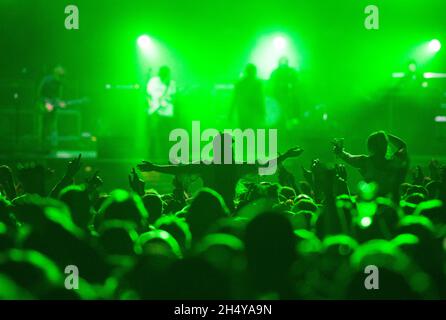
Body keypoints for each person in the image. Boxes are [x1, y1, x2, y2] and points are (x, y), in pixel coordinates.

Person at [138, 133, 304, 211]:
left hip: (211, 208)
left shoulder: (210, 165)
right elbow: (180, 169)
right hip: (226, 208)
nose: (230, 149)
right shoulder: (227, 166)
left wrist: (155, 167)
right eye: (227, 146)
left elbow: (180, 169)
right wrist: (286, 156)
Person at [333, 131, 409, 200]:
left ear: (370, 146)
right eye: (383, 143)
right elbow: (402, 146)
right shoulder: (393, 162)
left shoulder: (365, 161)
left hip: (370, 204)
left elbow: (347, 157)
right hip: (389, 204)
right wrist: (387, 136)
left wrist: (340, 151)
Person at [146, 66, 177, 159]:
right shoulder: (153, 81)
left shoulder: (171, 83)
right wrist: (151, 105)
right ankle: (152, 155)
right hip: (154, 112)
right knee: (153, 133)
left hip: (166, 114)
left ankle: (166, 155)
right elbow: (147, 95)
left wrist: (167, 101)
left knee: (167, 134)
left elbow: (173, 97)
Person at [38, 65, 66, 151]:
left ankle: (53, 145)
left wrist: (59, 102)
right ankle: (43, 145)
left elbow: (58, 96)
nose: (62, 71)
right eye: (60, 69)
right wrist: (45, 103)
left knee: (53, 125)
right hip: (44, 104)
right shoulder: (46, 79)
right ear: (55, 70)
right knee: (44, 125)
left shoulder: (60, 82)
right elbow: (39, 93)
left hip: (53, 105)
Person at [230, 64, 265, 129]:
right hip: (254, 112)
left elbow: (235, 98)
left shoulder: (240, 84)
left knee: (244, 132)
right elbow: (260, 99)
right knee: (253, 133)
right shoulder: (257, 84)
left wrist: (230, 113)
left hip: (243, 112)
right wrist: (262, 112)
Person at [269, 57, 300, 129]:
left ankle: (290, 124)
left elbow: (297, 81)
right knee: (279, 110)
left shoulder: (291, 72)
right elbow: (271, 82)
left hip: (289, 95)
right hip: (278, 96)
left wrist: (291, 86)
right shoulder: (276, 72)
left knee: (289, 110)